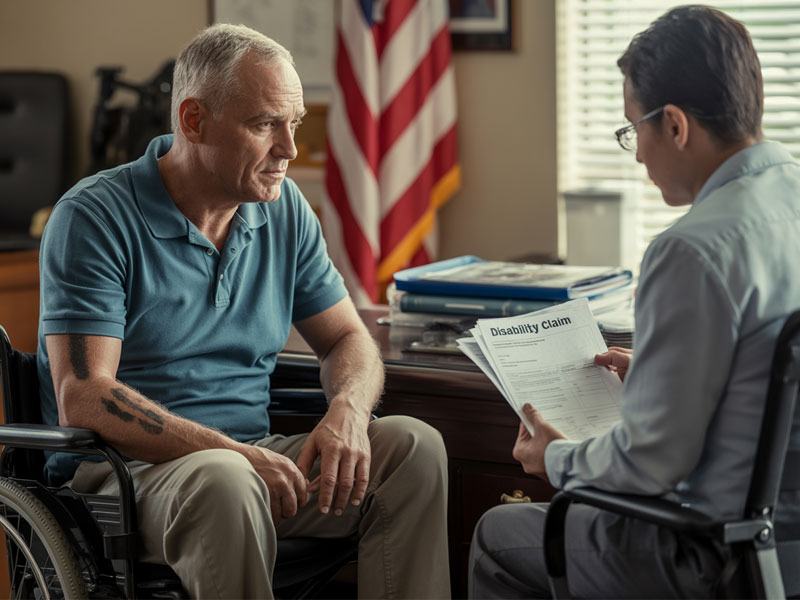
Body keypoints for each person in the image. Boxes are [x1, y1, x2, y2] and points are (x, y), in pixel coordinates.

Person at [37, 24, 450, 599]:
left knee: (413, 448)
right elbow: (83, 394)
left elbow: (347, 340)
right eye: (264, 125)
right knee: (226, 480)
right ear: (193, 121)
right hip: (121, 477)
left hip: (251, 461)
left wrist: (349, 411)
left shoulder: (284, 212)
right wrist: (232, 454)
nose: (289, 149)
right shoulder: (94, 217)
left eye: (294, 124)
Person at [469, 5, 800, 598]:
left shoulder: (692, 250)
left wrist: (559, 457)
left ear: (674, 125)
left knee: (499, 532)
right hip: (791, 547)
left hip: (712, 554)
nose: (638, 154)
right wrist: (653, 371)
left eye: (633, 129)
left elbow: (652, 464)